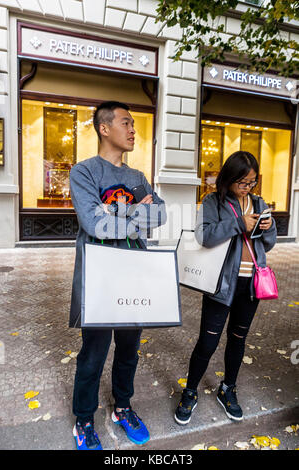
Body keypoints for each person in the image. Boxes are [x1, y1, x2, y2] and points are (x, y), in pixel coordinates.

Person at [69, 101, 167, 450]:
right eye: (126, 123)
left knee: (129, 349)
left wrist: (113, 212)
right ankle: (84, 419)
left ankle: (122, 407)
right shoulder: (84, 172)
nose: (133, 131)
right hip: (99, 278)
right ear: (104, 128)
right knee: (93, 353)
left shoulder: (138, 177)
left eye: (134, 125)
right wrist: (131, 211)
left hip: (135, 276)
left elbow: (159, 218)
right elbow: (93, 224)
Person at [174, 151, 277, 425]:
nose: (248, 188)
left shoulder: (258, 202)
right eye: (243, 182)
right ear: (229, 179)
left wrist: (267, 226)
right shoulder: (213, 201)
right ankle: (190, 391)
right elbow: (204, 236)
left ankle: (228, 388)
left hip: (250, 285)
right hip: (221, 285)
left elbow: (269, 243)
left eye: (252, 182)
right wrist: (239, 223)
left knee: (238, 339)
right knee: (207, 342)